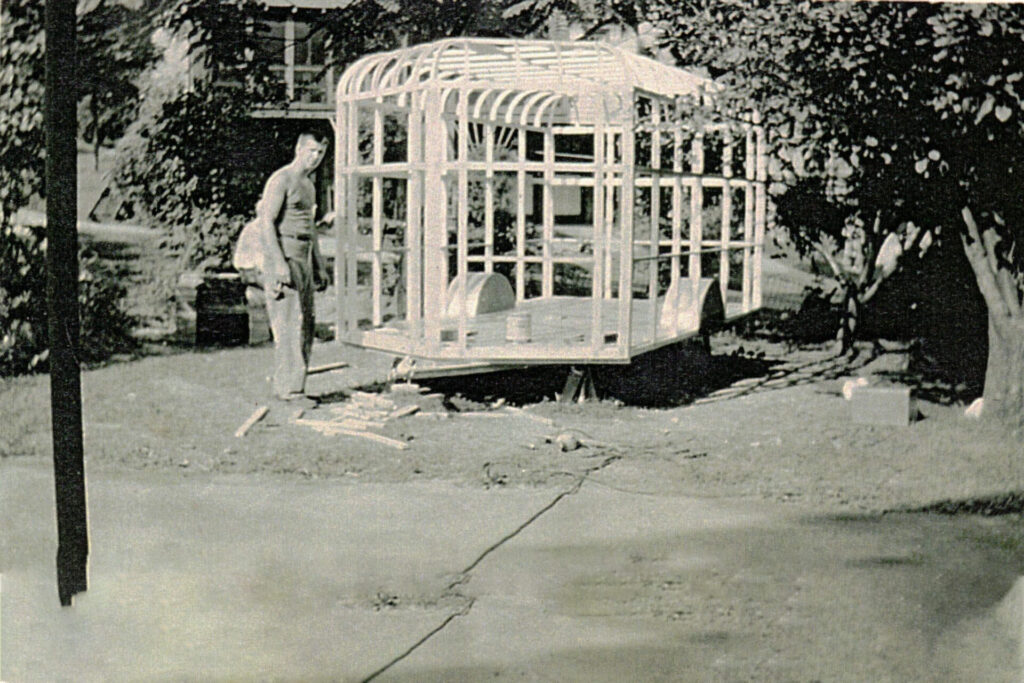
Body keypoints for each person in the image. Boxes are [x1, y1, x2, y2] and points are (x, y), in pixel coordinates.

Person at [257, 131, 330, 403]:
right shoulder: (281, 179)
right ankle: (290, 391)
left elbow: (310, 228)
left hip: (304, 256)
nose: (315, 157)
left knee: (306, 323)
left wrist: (319, 264)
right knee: (288, 323)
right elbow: (266, 223)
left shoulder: (309, 185)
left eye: (320, 153)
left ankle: (293, 386)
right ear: (299, 148)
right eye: (310, 150)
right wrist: (278, 264)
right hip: (284, 255)